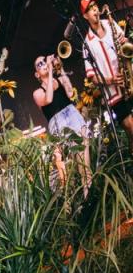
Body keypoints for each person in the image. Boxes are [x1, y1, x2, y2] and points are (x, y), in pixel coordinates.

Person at [80, 0, 133, 146]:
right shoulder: (87, 44)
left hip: (129, 79)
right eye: (90, 9)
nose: (95, 10)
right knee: (131, 128)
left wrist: (125, 40)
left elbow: (126, 45)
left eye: (95, 6)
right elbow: (92, 77)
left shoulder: (110, 23)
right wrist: (110, 80)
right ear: (85, 16)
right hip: (114, 94)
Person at [32, 54, 91, 185]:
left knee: (85, 167)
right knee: (69, 173)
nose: (44, 64)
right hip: (58, 124)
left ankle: (89, 193)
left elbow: (70, 92)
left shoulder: (58, 80)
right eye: (40, 64)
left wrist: (60, 69)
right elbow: (48, 99)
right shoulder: (37, 93)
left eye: (44, 61)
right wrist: (51, 72)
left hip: (72, 114)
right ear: (37, 74)